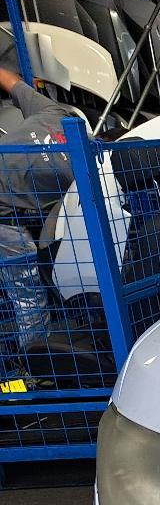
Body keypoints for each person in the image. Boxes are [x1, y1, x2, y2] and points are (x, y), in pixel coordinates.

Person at [0, 63, 75, 354]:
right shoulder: (88, 166)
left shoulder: (51, 111)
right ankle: (37, 363)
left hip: (6, 211)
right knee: (27, 292)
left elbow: (9, 80)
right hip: (3, 213)